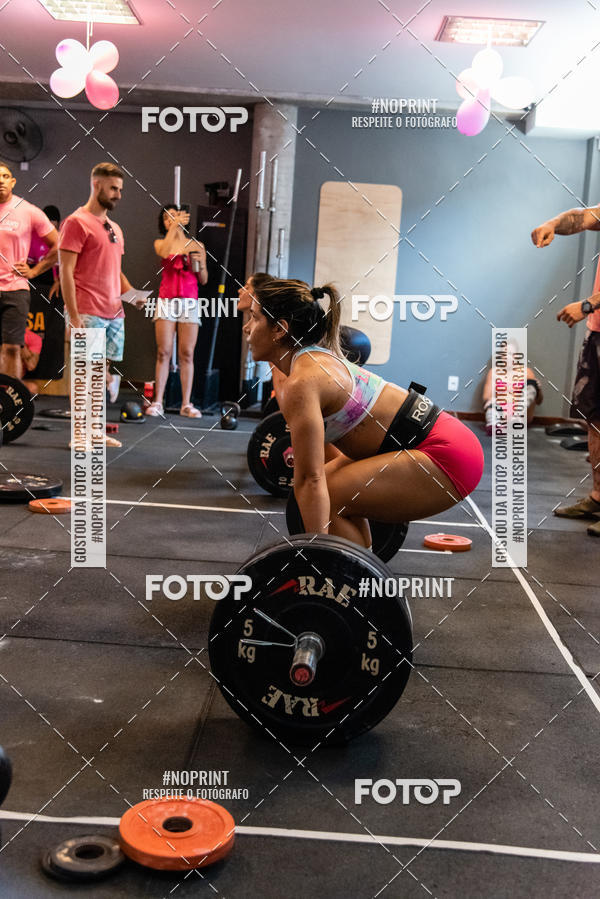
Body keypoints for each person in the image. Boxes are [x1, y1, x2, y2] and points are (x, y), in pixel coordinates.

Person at [243, 278, 484, 546]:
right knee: (333, 487)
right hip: (438, 440)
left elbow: (310, 480)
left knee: (330, 493)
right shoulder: (313, 360)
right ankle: (359, 577)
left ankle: (352, 578)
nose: (246, 328)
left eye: (253, 318)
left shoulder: (302, 382)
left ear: (279, 329)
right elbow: (327, 463)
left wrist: (313, 555)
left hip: (445, 454)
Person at [59, 162, 140, 447]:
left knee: (100, 375)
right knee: (84, 374)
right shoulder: (76, 222)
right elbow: (65, 270)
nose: (118, 194)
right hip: (87, 309)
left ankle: (94, 431)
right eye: (114, 188)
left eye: (120, 189)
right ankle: (79, 434)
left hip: (113, 313)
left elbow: (114, 270)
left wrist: (133, 297)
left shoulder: (114, 227)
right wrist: (74, 316)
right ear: (97, 185)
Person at [532, 206, 600, 536]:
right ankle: (599, 497)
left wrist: (587, 304)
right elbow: (583, 217)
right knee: (594, 417)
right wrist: (552, 223)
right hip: (598, 332)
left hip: (593, 313)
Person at [145, 205, 208, 417]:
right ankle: (157, 401)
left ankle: (186, 403)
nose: (170, 220)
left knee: (187, 353)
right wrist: (175, 227)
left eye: (174, 216)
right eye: (166, 217)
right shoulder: (161, 243)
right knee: (163, 351)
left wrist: (198, 263)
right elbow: (164, 252)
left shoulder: (196, 245)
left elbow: (204, 279)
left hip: (189, 301)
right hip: (166, 300)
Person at [0, 162, 58, 379]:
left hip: (15, 290)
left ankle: (9, 405)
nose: (0, 180)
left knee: (13, 348)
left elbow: (59, 244)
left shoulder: (27, 210)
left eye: (5, 176)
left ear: (12, 181)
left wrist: (35, 271)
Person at [23, 204, 64, 393]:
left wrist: (58, 280)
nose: (52, 227)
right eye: (49, 223)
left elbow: (57, 262)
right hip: (29, 281)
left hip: (48, 282)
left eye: (55, 224)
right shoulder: (32, 238)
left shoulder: (56, 240)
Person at [482, 355, 543, 435]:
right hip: (500, 412)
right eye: (504, 354)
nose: (507, 357)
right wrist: (503, 413)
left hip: (520, 413)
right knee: (490, 402)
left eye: (510, 353)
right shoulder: (494, 372)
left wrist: (539, 389)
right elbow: (486, 398)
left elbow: (538, 401)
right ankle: (494, 425)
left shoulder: (526, 372)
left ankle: (515, 419)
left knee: (532, 384)